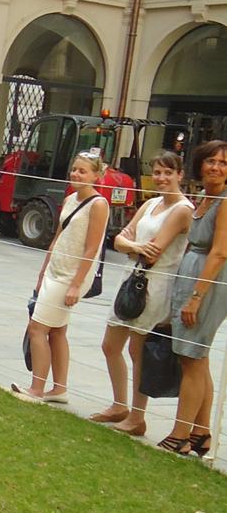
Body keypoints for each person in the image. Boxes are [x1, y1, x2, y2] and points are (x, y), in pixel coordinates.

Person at [90, 150, 193, 433]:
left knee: (138, 350)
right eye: (157, 172)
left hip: (157, 284)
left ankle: (137, 416)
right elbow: (121, 239)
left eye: (168, 173)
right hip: (131, 279)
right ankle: (119, 404)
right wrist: (133, 247)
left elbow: (155, 251)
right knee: (110, 344)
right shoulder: (150, 205)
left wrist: (131, 247)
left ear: (180, 175)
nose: (161, 178)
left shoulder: (182, 209)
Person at [11, 149, 110, 402]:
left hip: (72, 274)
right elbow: (58, 237)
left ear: (96, 175)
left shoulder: (98, 205)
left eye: (83, 171)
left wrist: (76, 284)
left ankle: (37, 388)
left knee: (37, 327)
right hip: (56, 269)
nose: (77, 174)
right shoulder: (70, 199)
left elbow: (92, 247)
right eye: (75, 169)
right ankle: (59, 388)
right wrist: (43, 271)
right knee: (57, 331)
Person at [160, 139, 227, 456]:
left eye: (223, 163)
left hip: (208, 283)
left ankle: (180, 433)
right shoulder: (204, 197)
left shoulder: (225, 201)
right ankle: (200, 433)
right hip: (192, 277)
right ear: (200, 164)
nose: (217, 167)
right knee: (196, 358)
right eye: (212, 161)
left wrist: (196, 297)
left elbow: (219, 252)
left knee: (191, 357)